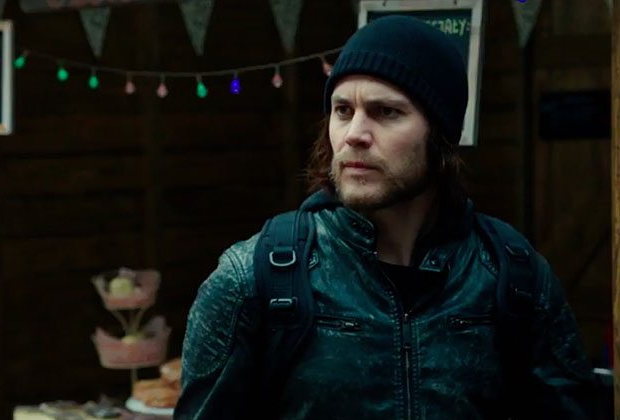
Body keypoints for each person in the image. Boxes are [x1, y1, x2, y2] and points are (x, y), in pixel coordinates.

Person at [174, 15, 598, 420]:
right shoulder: (254, 279)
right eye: (343, 110)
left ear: (440, 133)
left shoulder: (513, 276)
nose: (354, 134)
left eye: (386, 112)